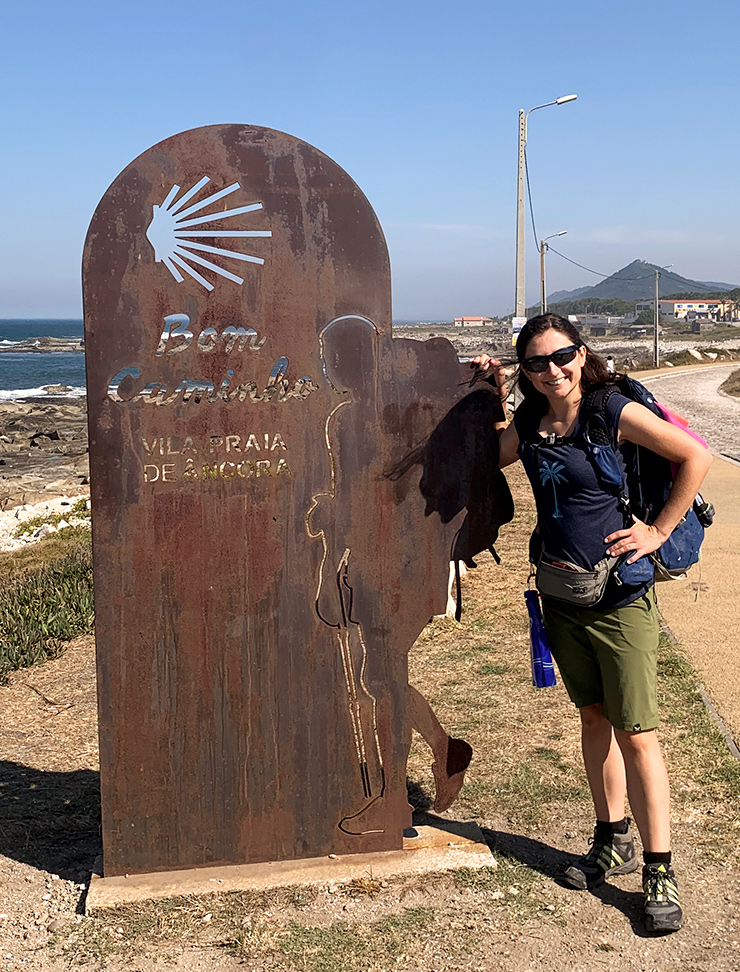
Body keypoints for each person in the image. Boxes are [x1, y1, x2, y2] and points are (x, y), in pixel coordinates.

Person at [473, 313, 711, 934]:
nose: (553, 370)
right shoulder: (530, 422)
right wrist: (493, 392)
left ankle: (659, 868)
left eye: (563, 356)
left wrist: (657, 531)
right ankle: (612, 837)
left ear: (583, 353)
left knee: (637, 733)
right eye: (537, 363)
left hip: (619, 597)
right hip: (562, 593)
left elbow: (695, 455)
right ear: (525, 369)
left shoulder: (610, 412)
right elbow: (492, 456)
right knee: (593, 717)